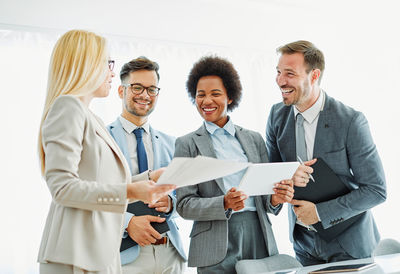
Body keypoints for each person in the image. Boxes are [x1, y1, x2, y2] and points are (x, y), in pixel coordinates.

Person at [37, 30, 175, 274]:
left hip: (96, 255)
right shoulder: (68, 107)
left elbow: (101, 183)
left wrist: (149, 180)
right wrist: (132, 190)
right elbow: (62, 188)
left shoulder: (92, 118)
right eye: (108, 63)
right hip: (76, 254)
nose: (112, 72)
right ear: (86, 64)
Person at [175, 56, 311, 273]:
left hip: (258, 235)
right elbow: (183, 204)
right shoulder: (187, 144)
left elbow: (267, 199)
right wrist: (224, 203)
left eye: (215, 94)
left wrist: (276, 198)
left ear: (230, 97)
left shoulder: (253, 139)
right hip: (214, 241)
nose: (207, 101)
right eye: (200, 95)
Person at [266, 40, 387, 265]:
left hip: (350, 245)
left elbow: (376, 190)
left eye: (290, 73)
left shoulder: (350, 121)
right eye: (278, 72)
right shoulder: (276, 116)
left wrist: (321, 213)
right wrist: (277, 193)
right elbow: (272, 177)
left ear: (314, 76)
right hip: (303, 247)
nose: (281, 81)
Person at [107, 56, 187, 273]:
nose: (145, 95)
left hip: (170, 253)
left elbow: (186, 197)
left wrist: (171, 204)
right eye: (137, 87)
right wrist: (127, 223)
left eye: (152, 89)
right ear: (121, 91)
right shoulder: (102, 138)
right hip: (125, 255)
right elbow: (92, 194)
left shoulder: (172, 143)